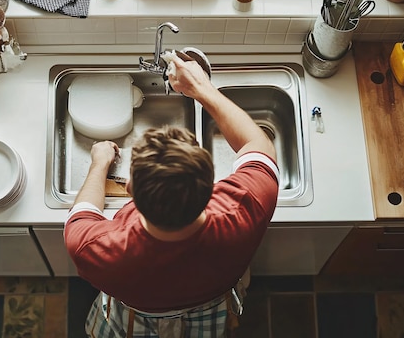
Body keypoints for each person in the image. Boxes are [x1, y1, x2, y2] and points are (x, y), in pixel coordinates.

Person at [64, 55, 280, 338]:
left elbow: (84, 212)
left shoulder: (94, 248)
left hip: (136, 317)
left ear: (130, 192)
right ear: (211, 187)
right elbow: (258, 144)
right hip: (209, 306)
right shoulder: (245, 210)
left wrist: (99, 164)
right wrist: (202, 89)